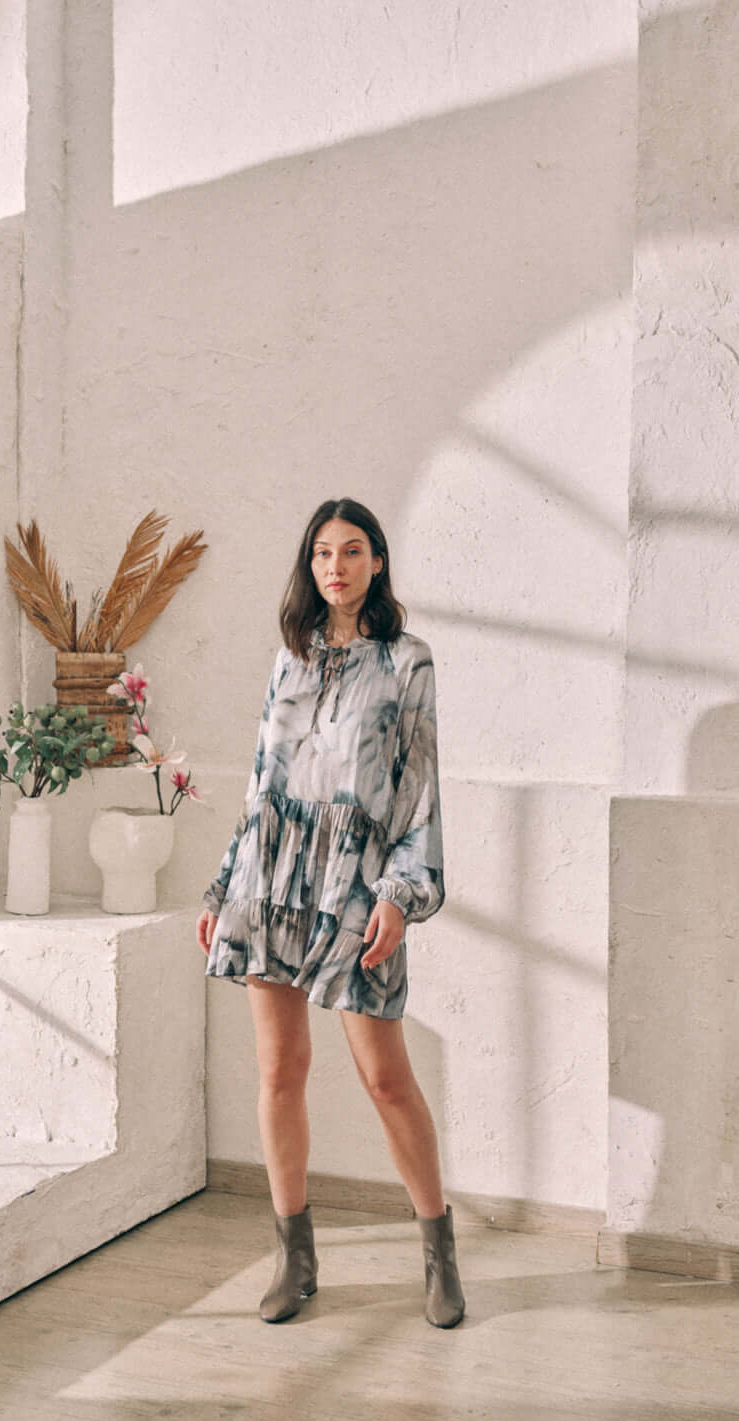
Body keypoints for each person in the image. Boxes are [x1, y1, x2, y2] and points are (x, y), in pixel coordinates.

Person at [196, 498, 464, 1329]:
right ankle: (294, 1256)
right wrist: (222, 885)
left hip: (355, 884)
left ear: (377, 561)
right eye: (322, 553)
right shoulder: (290, 660)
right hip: (271, 880)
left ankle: (439, 1249)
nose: (336, 566)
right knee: (279, 1073)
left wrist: (401, 895)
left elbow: (419, 790)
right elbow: (260, 783)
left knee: (385, 1078)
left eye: (352, 551)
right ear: (309, 566)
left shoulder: (407, 661)